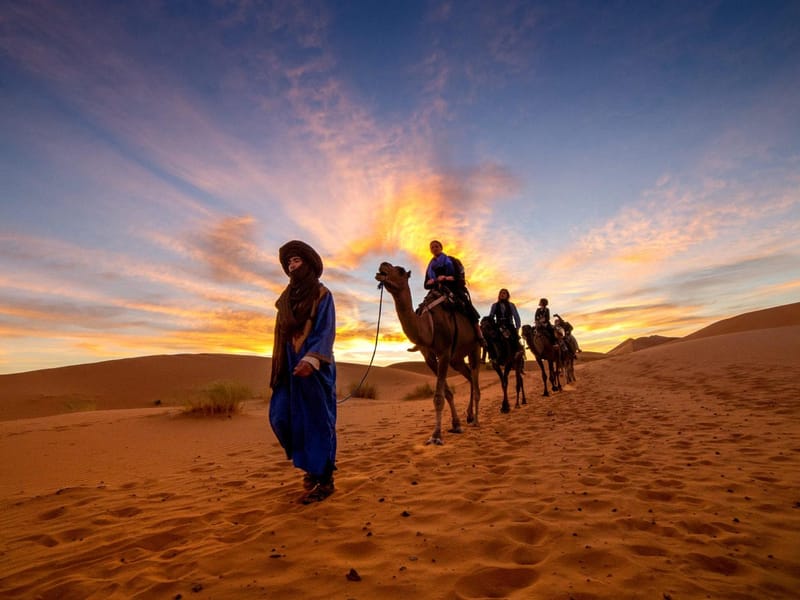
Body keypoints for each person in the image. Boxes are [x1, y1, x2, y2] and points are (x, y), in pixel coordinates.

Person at [269, 240, 337, 504]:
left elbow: (325, 330)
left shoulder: (322, 294)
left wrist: (311, 360)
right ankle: (309, 468)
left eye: (296, 261)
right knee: (282, 416)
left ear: (307, 264)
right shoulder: (284, 300)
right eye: (289, 262)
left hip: (315, 368)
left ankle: (325, 479)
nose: (291, 265)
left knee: (318, 423)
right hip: (288, 368)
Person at [424, 240, 486, 347]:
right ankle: (424, 338)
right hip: (437, 290)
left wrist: (447, 278)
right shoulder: (430, 266)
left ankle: (479, 335)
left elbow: (459, 277)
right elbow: (426, 284)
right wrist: (434, 281)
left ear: (441, 247)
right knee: (422, 308)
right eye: (432, 247)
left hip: (453, 288)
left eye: (436, 246)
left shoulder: (451, 260)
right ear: (430, 250)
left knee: (467, 306)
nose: (434, 248)